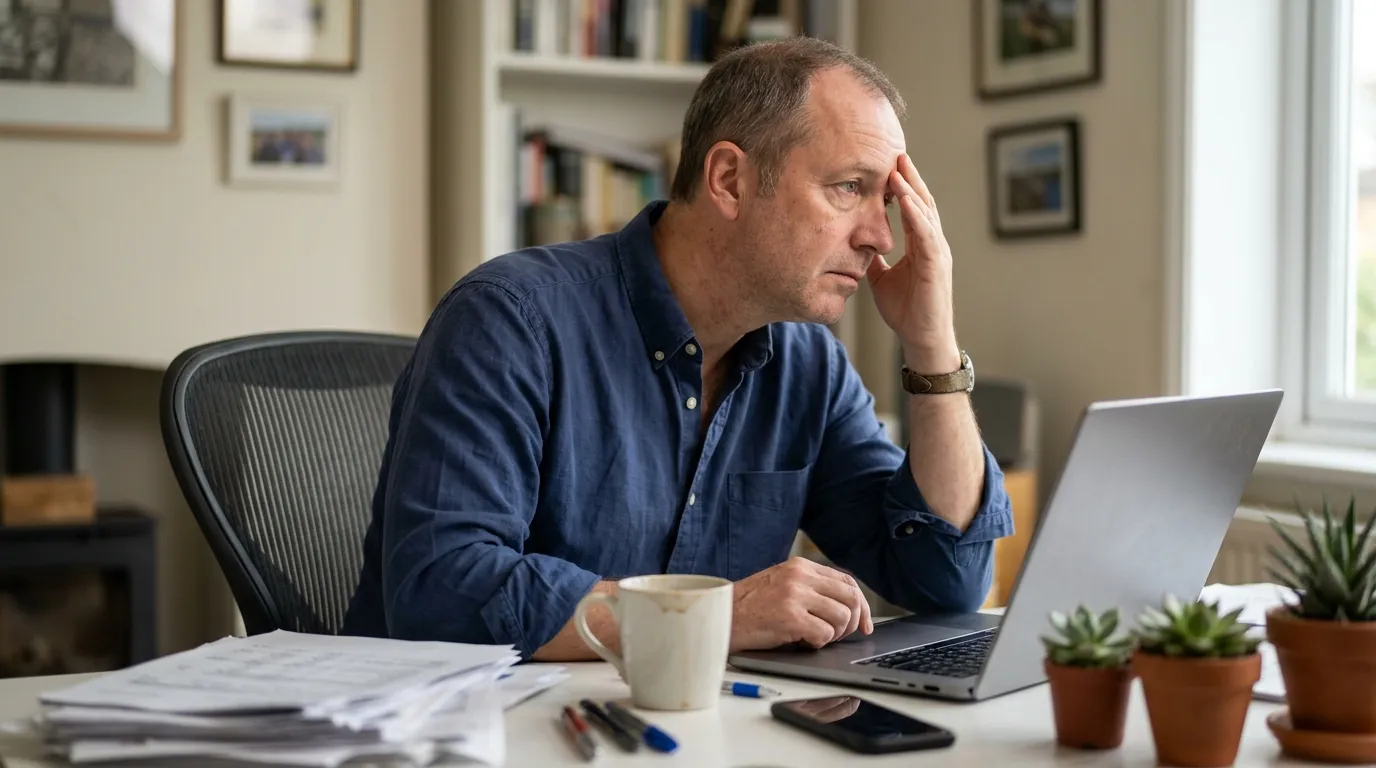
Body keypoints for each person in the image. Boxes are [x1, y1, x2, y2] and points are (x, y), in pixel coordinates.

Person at [340, 36, 1014, 661]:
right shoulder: (510, 320)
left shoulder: (809, 366)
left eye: (887, 201)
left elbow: (947, 583)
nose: (881, 236)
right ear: (729, 179)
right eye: (849, 188)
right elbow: (441, 593)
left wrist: (933, 347)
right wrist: (710, 614)